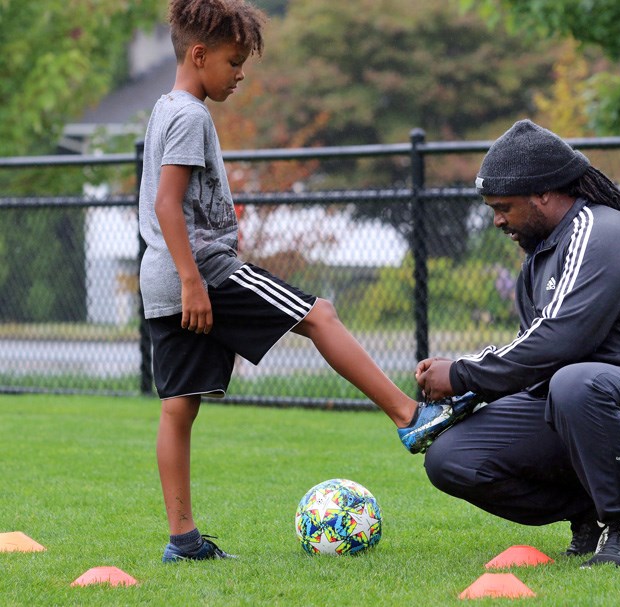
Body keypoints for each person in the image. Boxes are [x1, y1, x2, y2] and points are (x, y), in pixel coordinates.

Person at [139, 0, 471, 563]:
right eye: (233, 61)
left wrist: (183, 280)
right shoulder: (191, 116)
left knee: (178, 406)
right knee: (320, 315)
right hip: (204, 273)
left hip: (163, 278)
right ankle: (410, 417)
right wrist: (195, 282)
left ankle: (183, 540)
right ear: (199, 55)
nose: (240, 73)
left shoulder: (165, 108)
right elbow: (168, 206)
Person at [414, 120, 620, 568]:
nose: (497, 220)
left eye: (504, 207)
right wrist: (466, 395)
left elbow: (562, 341)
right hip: (580, 406)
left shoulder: (602, 230)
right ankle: (588, 510)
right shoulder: (536, 263)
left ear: (543, 193)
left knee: (575, 381)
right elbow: (534, 360)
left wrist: (461, 372)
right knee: (452, 459)